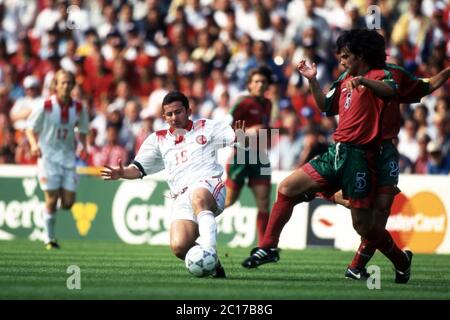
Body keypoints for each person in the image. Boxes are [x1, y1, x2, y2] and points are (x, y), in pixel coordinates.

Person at [242, 29, 413, 284]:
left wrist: (365, 82)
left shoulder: (380, 75)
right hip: (336, 151)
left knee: (364, 227)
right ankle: (268, 247)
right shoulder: (345, 79)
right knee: (287, 188)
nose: (341, 60)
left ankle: (401, 261)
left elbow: (390, 92)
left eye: (345, 55)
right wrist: (312, 80)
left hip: (360, 157)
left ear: (361, 55)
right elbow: (324, 107)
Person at [101, 91, 246, 278]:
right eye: (169, 114)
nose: (173, 117)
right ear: (164, 116)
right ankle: (214, 264)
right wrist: (122, 173)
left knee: (198, 196)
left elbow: (240, 142)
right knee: (179, 246)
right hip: (181, 195)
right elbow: (138, 169)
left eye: (178, 112)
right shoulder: (158, 140)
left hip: (209, 185)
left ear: (189, 111)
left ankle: (209, 250)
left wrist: (242, 138)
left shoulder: (206, 127)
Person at [26, 70, 89, 250]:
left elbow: (83, 130)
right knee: (52, 199)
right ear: (55, 85)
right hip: (47, 159)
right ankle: (49, 238)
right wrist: (33, 145)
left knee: (68, 203)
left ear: (73, 85)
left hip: (68, 158)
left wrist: (84, 146)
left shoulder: (78, 108)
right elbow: (30, 128)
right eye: (62, 83)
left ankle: (48, 212)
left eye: (69, 82)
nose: (66, 86)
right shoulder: (45, 106)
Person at [225, 65, 273, 247]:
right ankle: (199, 223)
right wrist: (247, 133)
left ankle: (264, 246)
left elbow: (265, 129)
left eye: (263, 82)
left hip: (260, 157)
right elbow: (226, 124)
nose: (260, 85)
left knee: (263, 202)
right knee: (229, 200)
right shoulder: (243, 102)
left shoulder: (268, 104)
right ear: (250, 85)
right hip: (241, 156)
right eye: (256, 82)